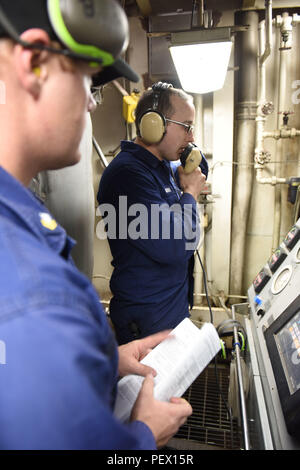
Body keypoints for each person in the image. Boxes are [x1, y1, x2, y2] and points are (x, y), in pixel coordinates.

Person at [0, 0, 192, 450]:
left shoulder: (23, 220)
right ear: (33, 64)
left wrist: (107, 361)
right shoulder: (34, 292)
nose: (90, 101)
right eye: (87, 79)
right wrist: (143, 435)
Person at [97, 82, 208, 345]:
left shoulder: (161, 166)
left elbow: (200, 165)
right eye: (187, 126)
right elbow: (176, 244)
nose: (191, 137)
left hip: (170, 311)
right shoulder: (129, 175)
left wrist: (189, 155)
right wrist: (190, 194)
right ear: (153, 124)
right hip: (147, 323)